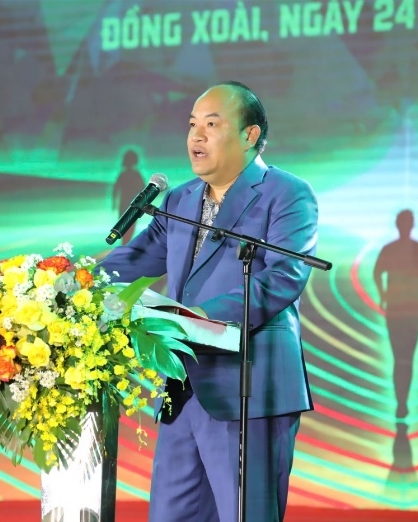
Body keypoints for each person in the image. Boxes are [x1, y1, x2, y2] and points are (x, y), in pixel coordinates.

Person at [99, 81, 318, 522]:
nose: (196, 136)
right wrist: (68, 279)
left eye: (212, 125)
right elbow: (135, 259)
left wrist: (202, 317)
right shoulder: (180, 199)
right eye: (192, 124)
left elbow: (282, 278)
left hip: (249, 388)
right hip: (182, 388)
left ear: (249, 135)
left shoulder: (287, 194)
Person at [373, 210, 418, 421]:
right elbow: (377, 272)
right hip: (401, 311)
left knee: (403, 358)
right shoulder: (405, 249)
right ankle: (401, 402)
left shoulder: (412, 249)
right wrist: (383, 295)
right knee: (403, 358)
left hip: (406, 310)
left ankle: (402, 402)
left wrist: (384, 295)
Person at [112, 149, 146, 245]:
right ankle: (126, 245)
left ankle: (124, 245)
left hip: (124, 205)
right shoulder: (136, 175)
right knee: (130, 228)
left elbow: (115, 190)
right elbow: (143, 189)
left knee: (124, 228)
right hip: (133, 206)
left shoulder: (123, 175)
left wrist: (114, 203)